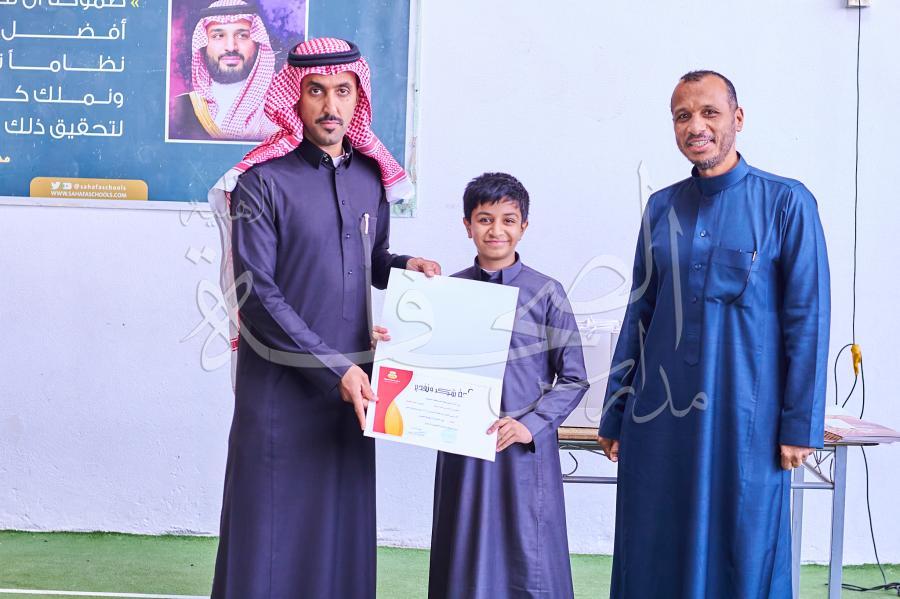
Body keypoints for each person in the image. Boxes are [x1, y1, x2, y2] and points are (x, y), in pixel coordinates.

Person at [207, 37, 440, 598]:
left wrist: (406, 267)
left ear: (359, 97)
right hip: (281, 389)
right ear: (294, 97)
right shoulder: (261, 182)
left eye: (342, 91)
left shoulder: (370, 178)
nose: (330, 106)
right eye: (315, 91)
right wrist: (336, 369)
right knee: (269, 534)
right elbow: (256, 295)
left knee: (339, 531)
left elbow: (372, 260)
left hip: (355, 387)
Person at [597, 70, 830, 598]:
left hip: (745, 420)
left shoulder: (786, 203)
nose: (695, 126)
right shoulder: (661, 208)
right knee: (652, 548)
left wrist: (800, 423)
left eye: (709, 113)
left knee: (744, 550)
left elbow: (807, 318)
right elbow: (640, 313)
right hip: (659, 420)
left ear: (737, 119)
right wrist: (615, 411)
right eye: (683, 116)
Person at [426, 173, 589, 599]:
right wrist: (392, 345)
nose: (496, 230)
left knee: (529, 555)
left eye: (508, 220)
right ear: (467, 225)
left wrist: (529, 426)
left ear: (524, 226)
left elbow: (574, 377)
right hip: (463, 447)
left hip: (523, 450)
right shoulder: (447, 292)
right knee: (462, 546)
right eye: (484, 219)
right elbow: (426, 367)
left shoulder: (547, 293)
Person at [169, 0, 277, 141]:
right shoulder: (179, 108)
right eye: (218, 36)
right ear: (203, 45)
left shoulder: (280, 108)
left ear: (257, 43)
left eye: (242, 35)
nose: (231, 47)